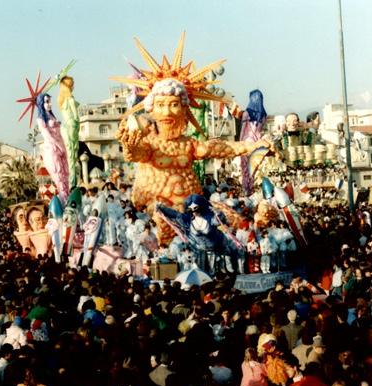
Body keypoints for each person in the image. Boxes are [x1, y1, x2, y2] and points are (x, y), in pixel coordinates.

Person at [114, 37, 277, 243]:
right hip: (157, 210)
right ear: (152, 108)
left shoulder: (189, 144)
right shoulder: (150, 144)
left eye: (174, 105)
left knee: (232, 218)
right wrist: (129, 143)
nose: (167, 112)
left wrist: (253, 146)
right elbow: (133, 154)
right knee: (163, 221)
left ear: (184, 108)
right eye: (161, 104)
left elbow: (221, 147)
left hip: (194, 208)